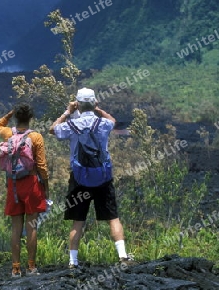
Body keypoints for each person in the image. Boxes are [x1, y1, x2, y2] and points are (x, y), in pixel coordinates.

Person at [49, 87, 136, 269]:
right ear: (95, 103)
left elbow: (53, 130)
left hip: (79, 178)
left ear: (78, 104)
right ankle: (123, 256)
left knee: (78, 220)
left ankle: (73, 262)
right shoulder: (103, 124)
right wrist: (98, 109)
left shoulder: (73, 125)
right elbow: (113, 120)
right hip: (103, 177)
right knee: (113, 217)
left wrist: (68, 111)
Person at [0, 103, 50, 277]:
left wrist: (9, 114)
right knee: (32, 226)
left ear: (17, 117)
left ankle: (15, 268)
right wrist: (46, 187)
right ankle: (32, 267)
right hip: (32, 183)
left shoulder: (8, 134)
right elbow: (41, 165)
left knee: (16, 228)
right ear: (30, 118)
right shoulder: (36, 137)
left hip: (13, 185)